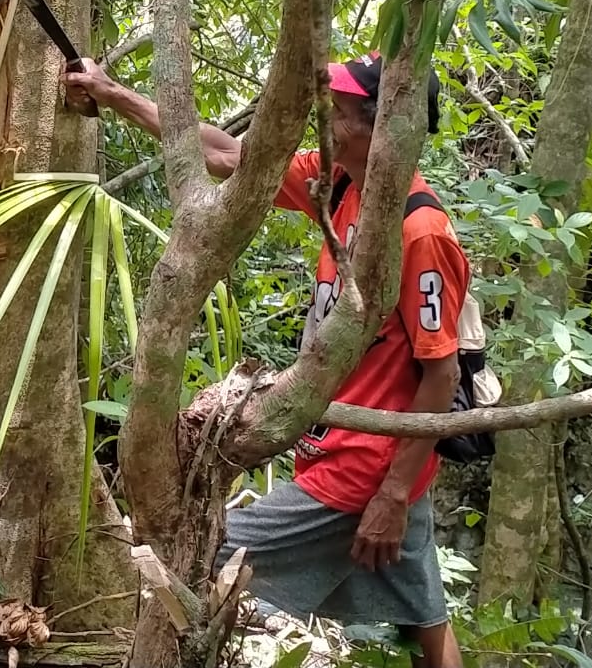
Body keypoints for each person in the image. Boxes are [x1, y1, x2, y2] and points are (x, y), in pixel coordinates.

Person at [64, 52, 466, 668]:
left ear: (384, 124)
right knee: (425, 620)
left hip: (363, 473)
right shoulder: (337, 183)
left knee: (202, 555)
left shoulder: (420, 232)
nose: (326, 118)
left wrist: (390, 493)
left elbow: (442, 374)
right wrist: (113, 93)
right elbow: (230, 156)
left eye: (339, 109)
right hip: (354, 457)